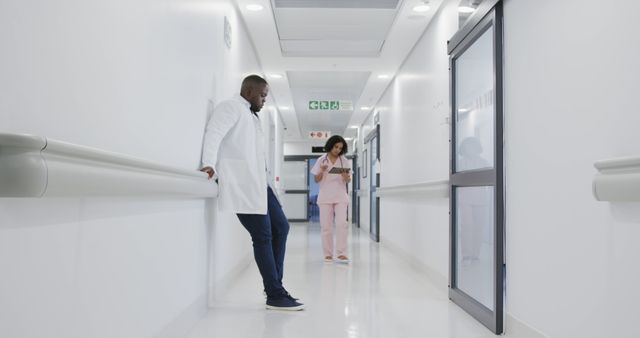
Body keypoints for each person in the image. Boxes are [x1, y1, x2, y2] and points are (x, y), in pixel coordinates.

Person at [200, 75, 304, 311]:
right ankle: (275, 293)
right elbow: (214, 133)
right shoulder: (230, 107)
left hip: (260, 185)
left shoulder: (251, 115)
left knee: (282, 227)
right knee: (263, 236)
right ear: (249, 91)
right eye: (262, 94)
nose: (264, 99)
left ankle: (276, 287)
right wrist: (209, 164)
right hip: (243, 185)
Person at [310, 135, 352, 264]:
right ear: (330, 145)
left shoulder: (344, 161)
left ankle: (341, 254)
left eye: (340, 148)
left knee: (341, 224)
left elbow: (348, 180)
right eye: (336, 147)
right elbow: (316, 180)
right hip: (325, 197)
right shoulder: (321, 160)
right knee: (326, 227)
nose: (338, 150)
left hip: (340, 196)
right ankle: (328, 254)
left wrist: (345, 176)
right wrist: (321, 171)